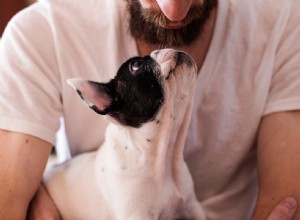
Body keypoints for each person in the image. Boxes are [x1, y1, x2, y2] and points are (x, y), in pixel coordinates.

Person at [0, 0, 299, 219]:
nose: (174, 12)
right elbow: (8, 200)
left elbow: (286, 202)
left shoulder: (285, 20)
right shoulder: (39, 32)